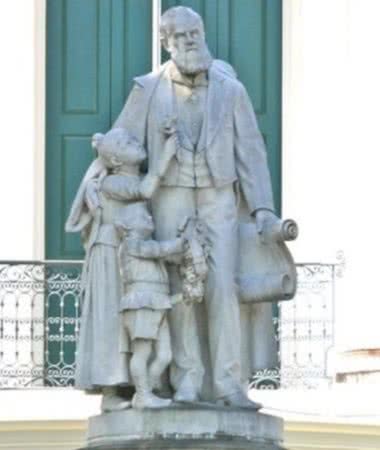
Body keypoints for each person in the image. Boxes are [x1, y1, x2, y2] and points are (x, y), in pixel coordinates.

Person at [113, 6, 280, 409]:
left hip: (218, 195)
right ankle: (186, 380)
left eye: (195, 32)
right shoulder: (147, 89)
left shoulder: (230, 91)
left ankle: (228, 382)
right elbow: (119, 142)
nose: (191, 40)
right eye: (180, 35)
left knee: (223, 288)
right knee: (180, 291)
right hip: (170, 194)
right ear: (165, 43)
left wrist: (262, 208)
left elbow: (251, 152)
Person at [65, 126, 179, 411]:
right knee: (111, 322)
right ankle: (111, 388)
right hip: (110, 255)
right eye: (126, 142)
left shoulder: (125, 178)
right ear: (115, 161)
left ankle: (141, 384)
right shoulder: (112, 183)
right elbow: (145, 189)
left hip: (127, 257)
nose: (135, 141)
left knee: (128, 325)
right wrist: (166, 154)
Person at [115, 202, 185, 409]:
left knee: (165, 355)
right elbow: (158, 250)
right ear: (128, 226)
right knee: (142, 353)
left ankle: (147, 387)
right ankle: (143, 394)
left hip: (158, 302)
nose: (150, 220)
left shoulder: (147, 246)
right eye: (143, 218)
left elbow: (166, 255)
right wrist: (181, 242)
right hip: (141, 302)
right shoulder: (132, 244)